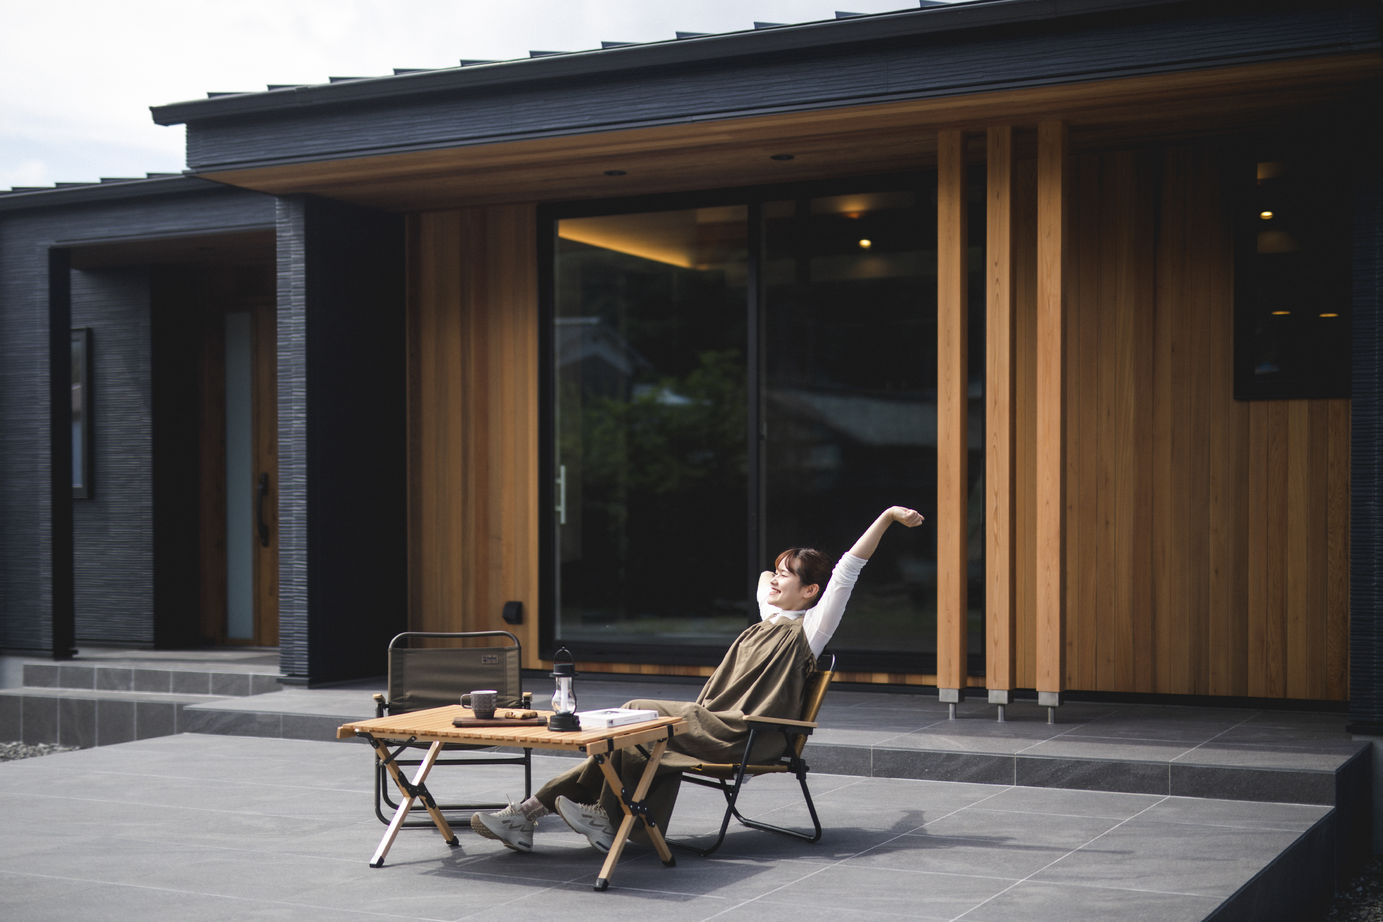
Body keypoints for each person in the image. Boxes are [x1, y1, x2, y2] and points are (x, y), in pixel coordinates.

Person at [472, 505, 926, 853]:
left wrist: (886, 517)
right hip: (712, 725)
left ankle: (586, 817)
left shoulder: (812, 629)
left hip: (749, 733)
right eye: (779, 573)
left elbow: (847, 570)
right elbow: (764, 577)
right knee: (628, 739)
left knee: (633, 716)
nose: (775, 580)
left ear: (811, 592)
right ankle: (532, 814)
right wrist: (784, 570)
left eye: (789, 577)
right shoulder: (770, 616)